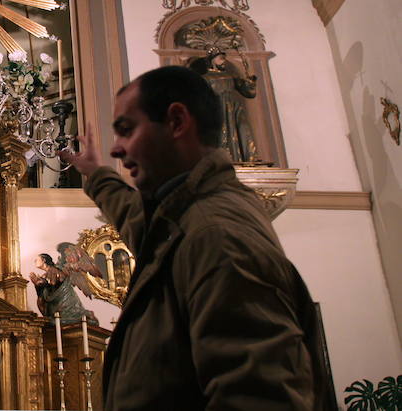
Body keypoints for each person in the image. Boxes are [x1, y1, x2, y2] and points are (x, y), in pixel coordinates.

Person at [59, 65, 332, 410]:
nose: (116, 150)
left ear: (176, 122)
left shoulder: (216, 235)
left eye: (127, 130)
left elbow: (259, 396)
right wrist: (94, 174)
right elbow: (134, 217)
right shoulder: (183, 216)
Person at [189, 47, 259, 162]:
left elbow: (248, 93)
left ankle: (246, 158)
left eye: (224, 58)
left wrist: (250, 83)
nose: (224, 61)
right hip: (216, 109)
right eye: (221, 58)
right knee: (221, 134)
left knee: (242, 129)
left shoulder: (231, 76)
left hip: (234, 109)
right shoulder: (205, 78)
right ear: (212, 60)